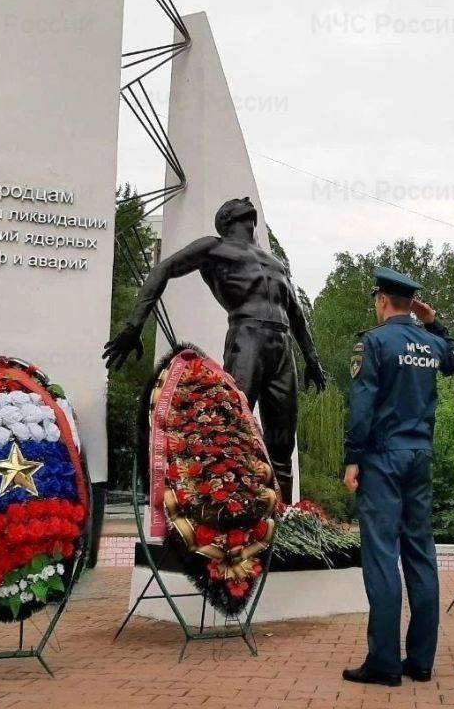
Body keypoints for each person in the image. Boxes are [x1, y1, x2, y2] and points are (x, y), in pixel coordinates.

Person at [102, 197, 327, 504]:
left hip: (281, 346)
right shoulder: (214, 247)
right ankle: (229, 512)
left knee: (282, 443)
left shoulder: (275, 263)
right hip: (247, 338)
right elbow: (163, 269)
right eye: (238, 203)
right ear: (226, 218)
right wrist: (133, 326)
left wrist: (312, 360)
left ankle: (282, 519)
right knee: (233, 432)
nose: (246, 201)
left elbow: (297, 314)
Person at [341, 267, 454, 687]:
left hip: (382, 457)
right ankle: (421, 660)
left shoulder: (373, 343)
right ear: (410, 304)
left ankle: (383, 662)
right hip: (419, 457)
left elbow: (362, 405)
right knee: (420, 553)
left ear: (381, 301)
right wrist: (434, 323)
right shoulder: (430, 344)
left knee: (380, 555)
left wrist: (353, 457)